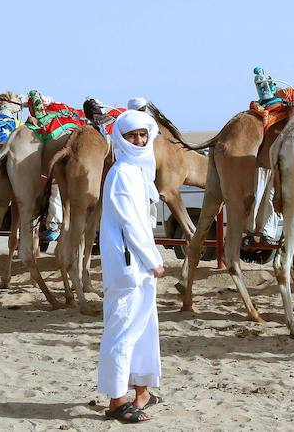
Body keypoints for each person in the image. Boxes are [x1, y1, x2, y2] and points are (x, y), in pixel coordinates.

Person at [97, 110, 164, 424]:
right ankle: (116, 401)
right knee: (122, 331)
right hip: (129, 265)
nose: (139, 140)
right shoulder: (123, 172)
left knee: (141, 329)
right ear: (120, 139)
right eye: (131, 135)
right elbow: (132, 224)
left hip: (138, 265)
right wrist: (153, 260)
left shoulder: (137, 171)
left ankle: (141, 392)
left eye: (142, 134)